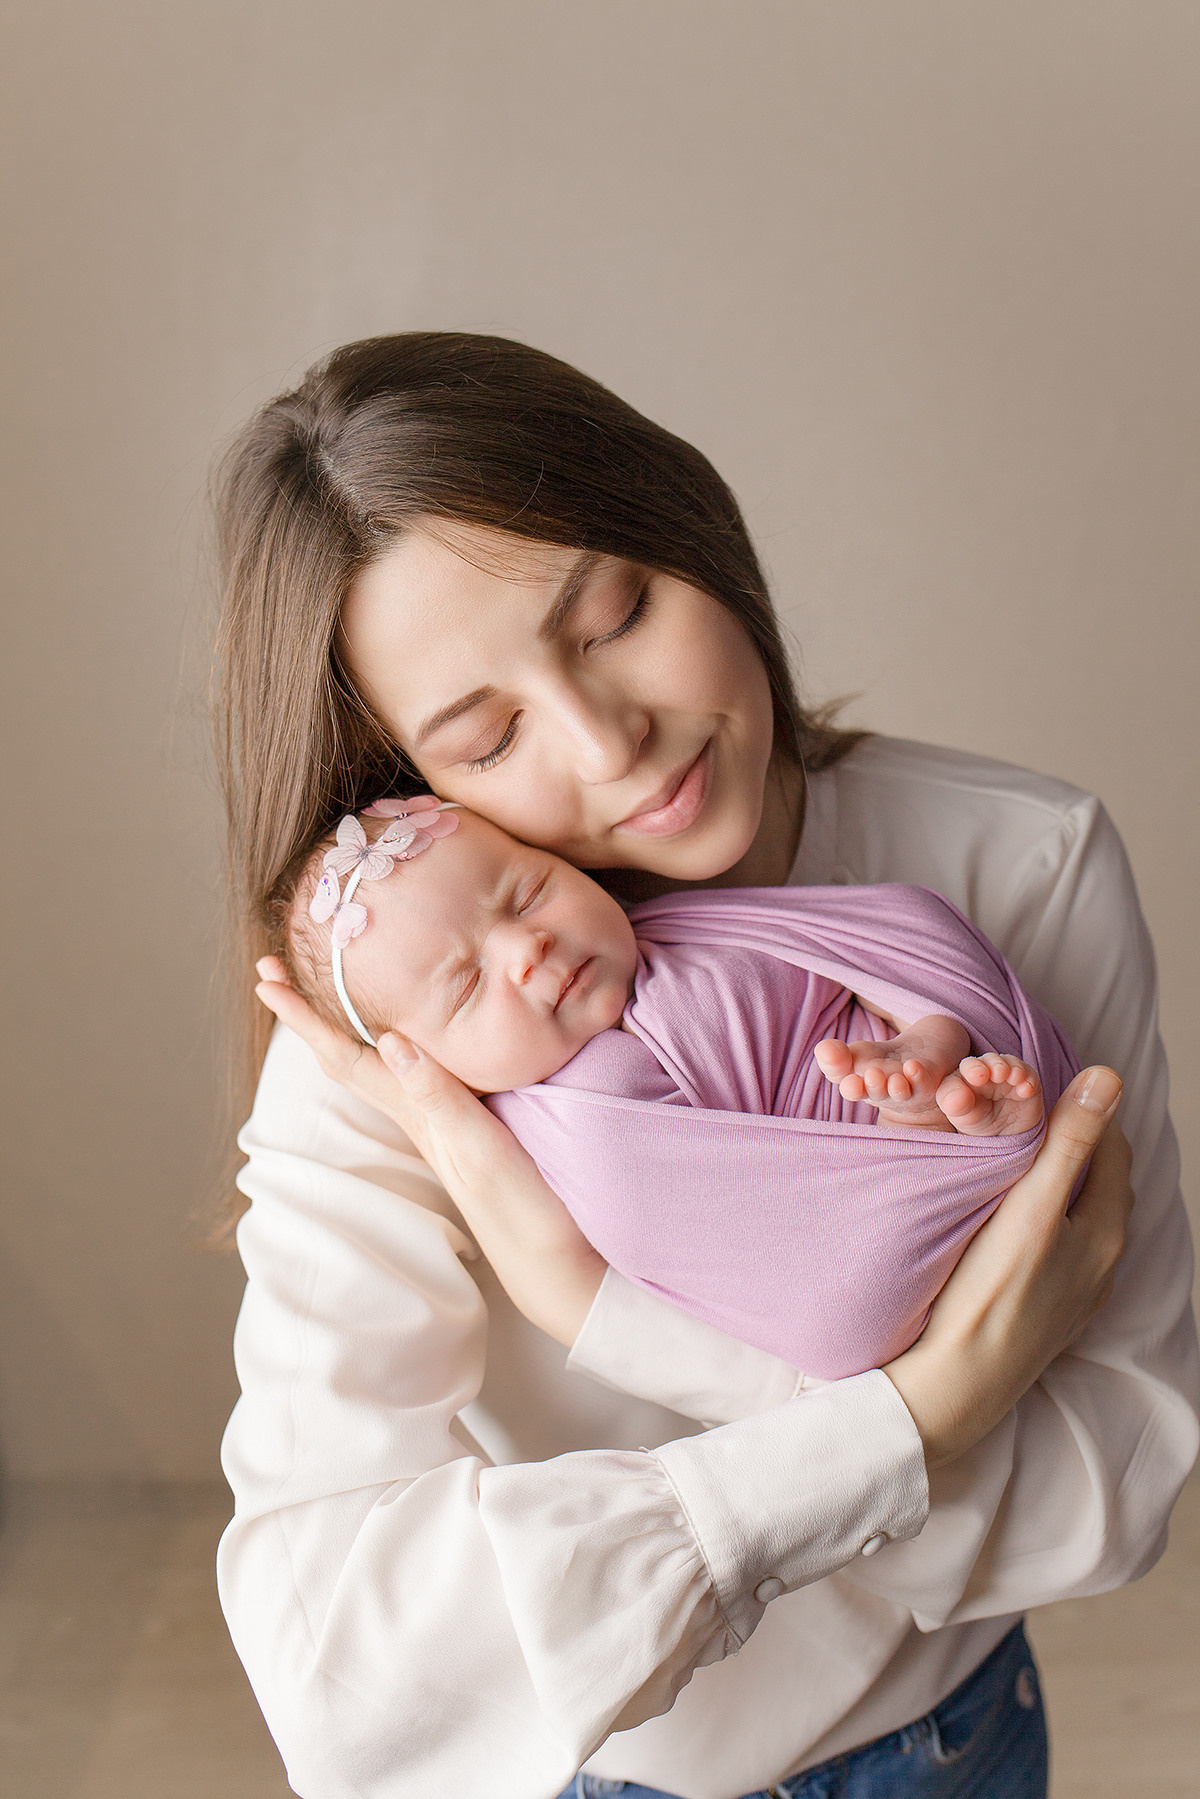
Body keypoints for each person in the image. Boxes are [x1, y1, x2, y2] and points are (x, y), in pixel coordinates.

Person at [213, 332, 1198, 1799]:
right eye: (487, 737)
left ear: (692, 525)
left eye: (615, 612)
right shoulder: (407, 1028)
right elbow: (333, 1661)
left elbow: (1118, 1477)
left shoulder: (1018, 863)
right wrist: (911, 1412)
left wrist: (650, 1349)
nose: (611, 741)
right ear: (413, 782)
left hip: (949, 1739)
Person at [279, 799, 1061, 1382]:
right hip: (840, 1206)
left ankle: (930, 1068)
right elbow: (766, 1260)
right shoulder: (583, 1122)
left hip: (856, 1045)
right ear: (427, 1060)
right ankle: (932, 1125)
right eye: (466, 982)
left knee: (904, 975)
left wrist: (906, 994)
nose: (526, 946)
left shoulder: (675, 931)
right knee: (858, 1247)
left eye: (526, 891)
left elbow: (863, 941)